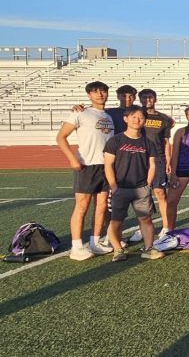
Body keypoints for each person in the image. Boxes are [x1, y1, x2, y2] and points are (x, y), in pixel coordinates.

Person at [56, 81, 114, 260]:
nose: (100, 94)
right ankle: (76, 247)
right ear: (89, 95)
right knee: (82, 206)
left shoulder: (109, 116)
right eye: (95, 92)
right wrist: (72, 159)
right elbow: (61, 137)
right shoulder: (80, 113)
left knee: (102, 206)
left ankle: (95, 242)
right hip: (87, 165)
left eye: (103, 91)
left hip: (106, 166)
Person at [102, 105, 163, 261]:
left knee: (146, 219)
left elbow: (152, 165)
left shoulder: (148, 143)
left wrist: (147, 184)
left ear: (145, 121)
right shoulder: (115, 140)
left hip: (141, 188)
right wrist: (114, 186)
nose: (137, 120)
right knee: (116, 221)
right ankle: (118, 249)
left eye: (141, 117)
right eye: (133, 117)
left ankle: (148, 248)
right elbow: (108, 165)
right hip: (120, 188)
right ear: (126, 119)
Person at [137, 89, 174, 241]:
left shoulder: (163, 119)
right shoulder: (136, 115)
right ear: (140, 100)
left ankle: (166, 227)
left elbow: (166, 142)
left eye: (150, 97)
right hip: (139, 158)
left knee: (160, 192)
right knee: (141, 195)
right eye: (144, 97)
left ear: (155, 99)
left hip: (158, 158)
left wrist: (168, 160)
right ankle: (142, 228)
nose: (148, 100)